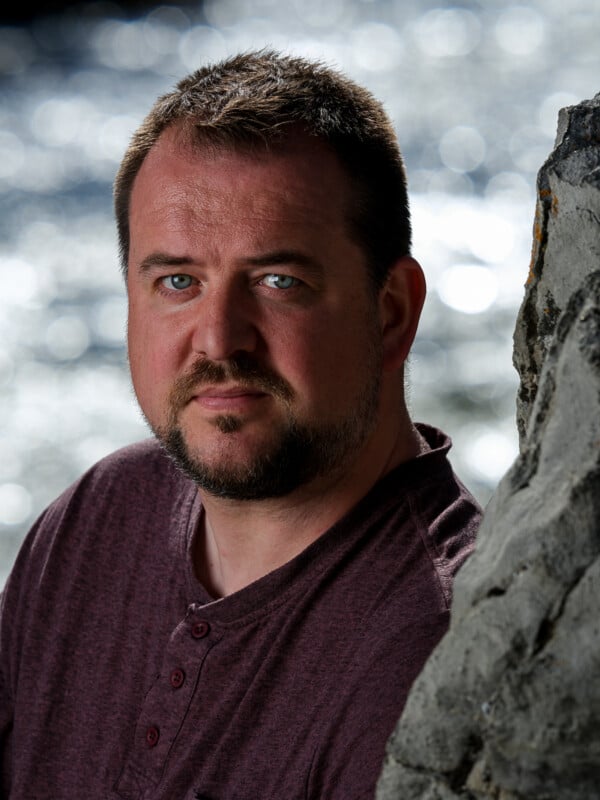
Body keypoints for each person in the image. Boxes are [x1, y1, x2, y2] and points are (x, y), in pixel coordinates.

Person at [0, 51, 481, 799]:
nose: (220, 339)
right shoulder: (96, 517)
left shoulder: (436, 650)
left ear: (390, 313)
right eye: (178, 282)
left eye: (278, 281)